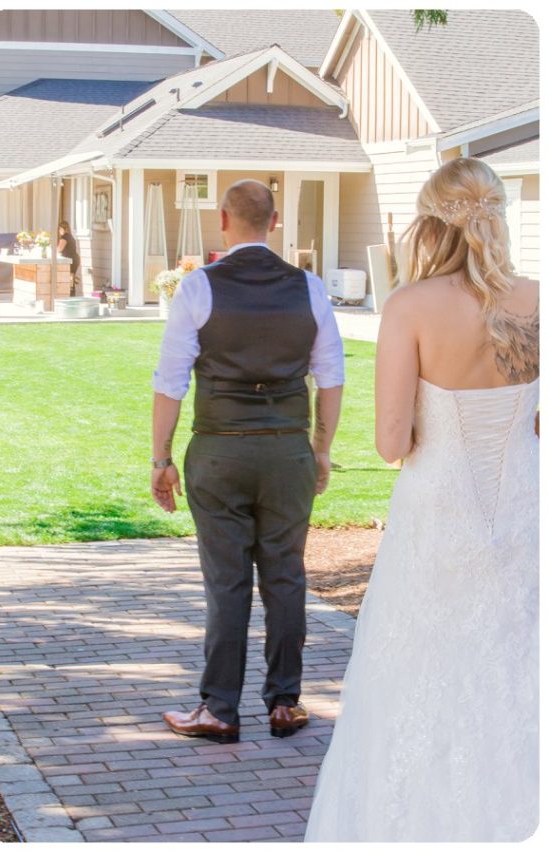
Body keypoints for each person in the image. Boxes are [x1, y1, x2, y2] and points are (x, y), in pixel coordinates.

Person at [304, 158, 538, 841]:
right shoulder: (538, 300)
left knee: (419, 671)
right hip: (526, 510)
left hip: (439, 517)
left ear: (430, 223)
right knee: (515, 666)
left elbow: (388, 441)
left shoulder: (411, 305)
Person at [151, 179, 345, 744]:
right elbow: (330, 377)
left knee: (227, 582)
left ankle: (218, 709)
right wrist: (321, 447)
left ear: (223, 220)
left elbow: (170, 383)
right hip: (287, 450)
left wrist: (161, 457)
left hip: (218, 449)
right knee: (286, 576)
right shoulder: (308, 288)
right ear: (275, 220)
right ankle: (285, 703)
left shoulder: (197, 287)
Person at [57, 220, 80, 296]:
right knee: (71, 278)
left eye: (59, 229)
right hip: (74, 259)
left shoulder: (64, 237)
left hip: (70, 261)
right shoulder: (71, 237)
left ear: (63, 229)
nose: (59, 231)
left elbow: (59, 249)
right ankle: (72, 293)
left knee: (70, 278)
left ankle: (71, 294)